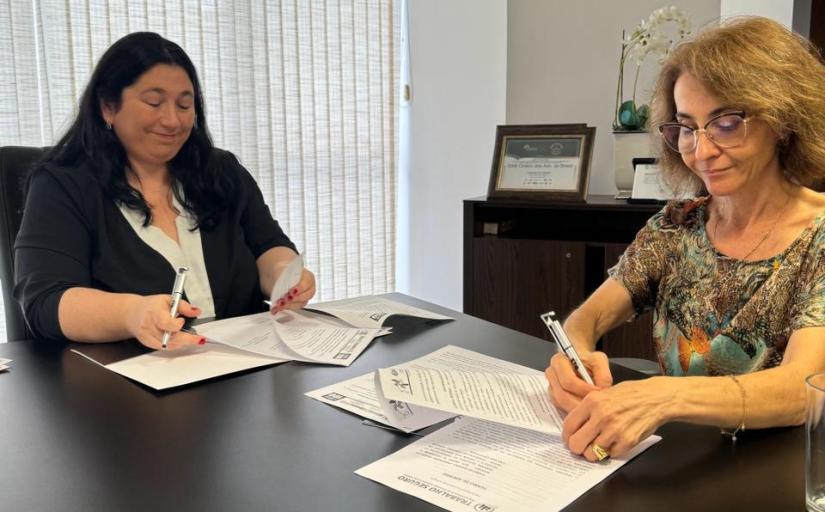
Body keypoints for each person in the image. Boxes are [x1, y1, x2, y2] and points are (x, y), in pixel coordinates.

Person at [546, 16, 825, 462]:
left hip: (782, 474)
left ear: (783, 120)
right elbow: (588, 318)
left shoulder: (819, 239)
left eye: (726, 123)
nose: (701, 150)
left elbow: (800, 388)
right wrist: (573, 354)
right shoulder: (676, 227)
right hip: (682, 466)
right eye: (686, 128)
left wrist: (662, 398)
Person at [13, 32, 316, 350]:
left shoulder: (221, 171)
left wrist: (285, 277)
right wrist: (132, 313)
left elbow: (268, 247)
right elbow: (46, 302)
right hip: (129, 380)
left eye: (184, 105)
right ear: (107, 107)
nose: (172, 120)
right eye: (154, 102)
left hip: (248, 369)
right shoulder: (62, 184)